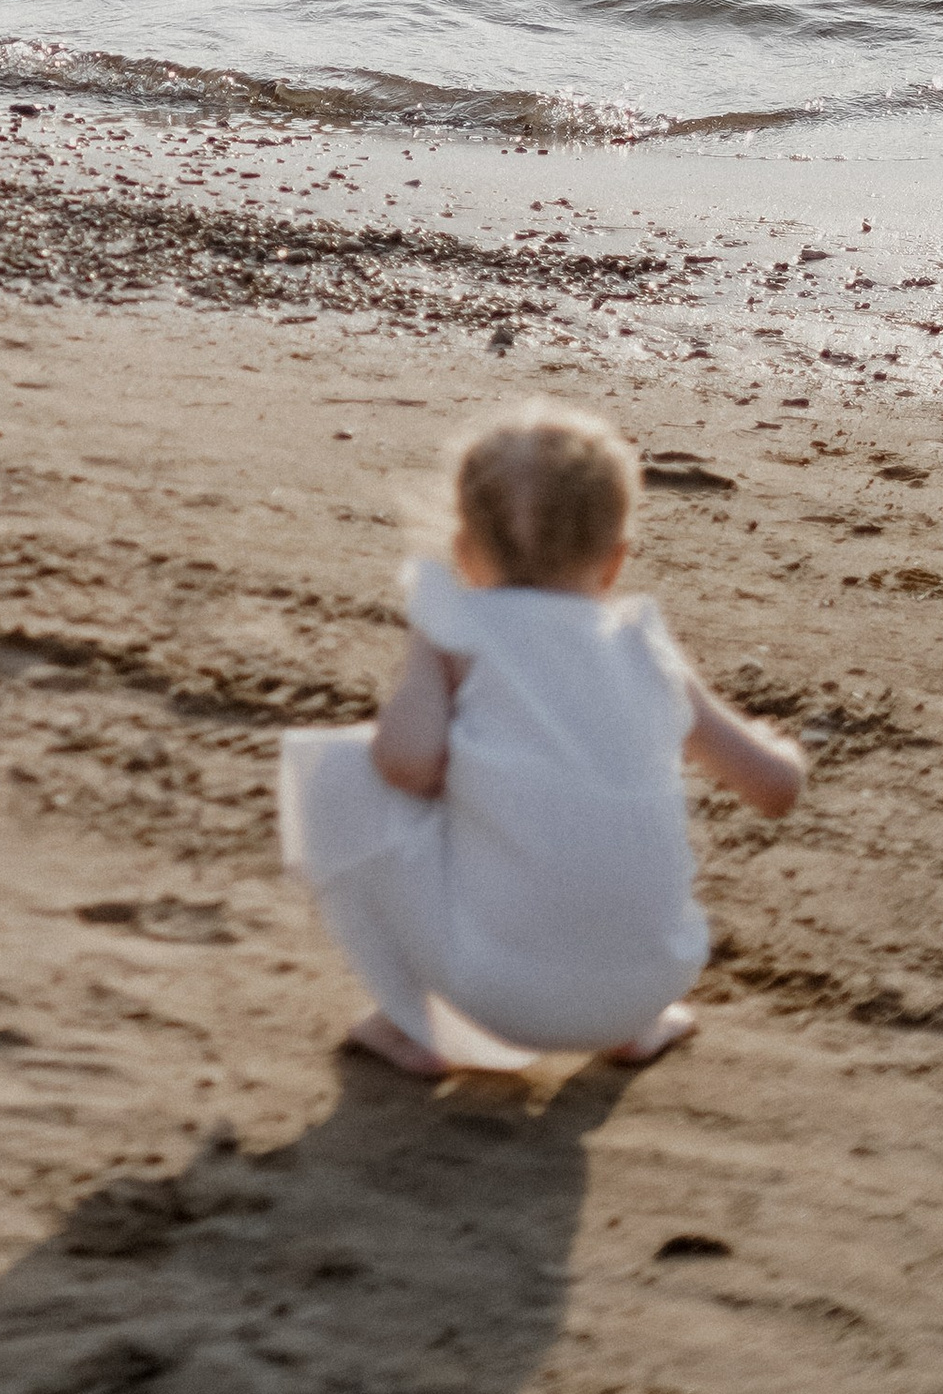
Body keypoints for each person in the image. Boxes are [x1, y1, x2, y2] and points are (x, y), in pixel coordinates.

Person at [278, 401, 804, 1077]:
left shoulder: (458, 631)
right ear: (615, 563)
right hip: (652, 979)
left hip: (499, 996)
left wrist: (425, 651)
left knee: (345, 767)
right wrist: (778, 746)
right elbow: (776, 789)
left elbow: (406, 765)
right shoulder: (643, 645)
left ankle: (414, 1023)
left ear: (465, 554)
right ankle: (638, 1026)